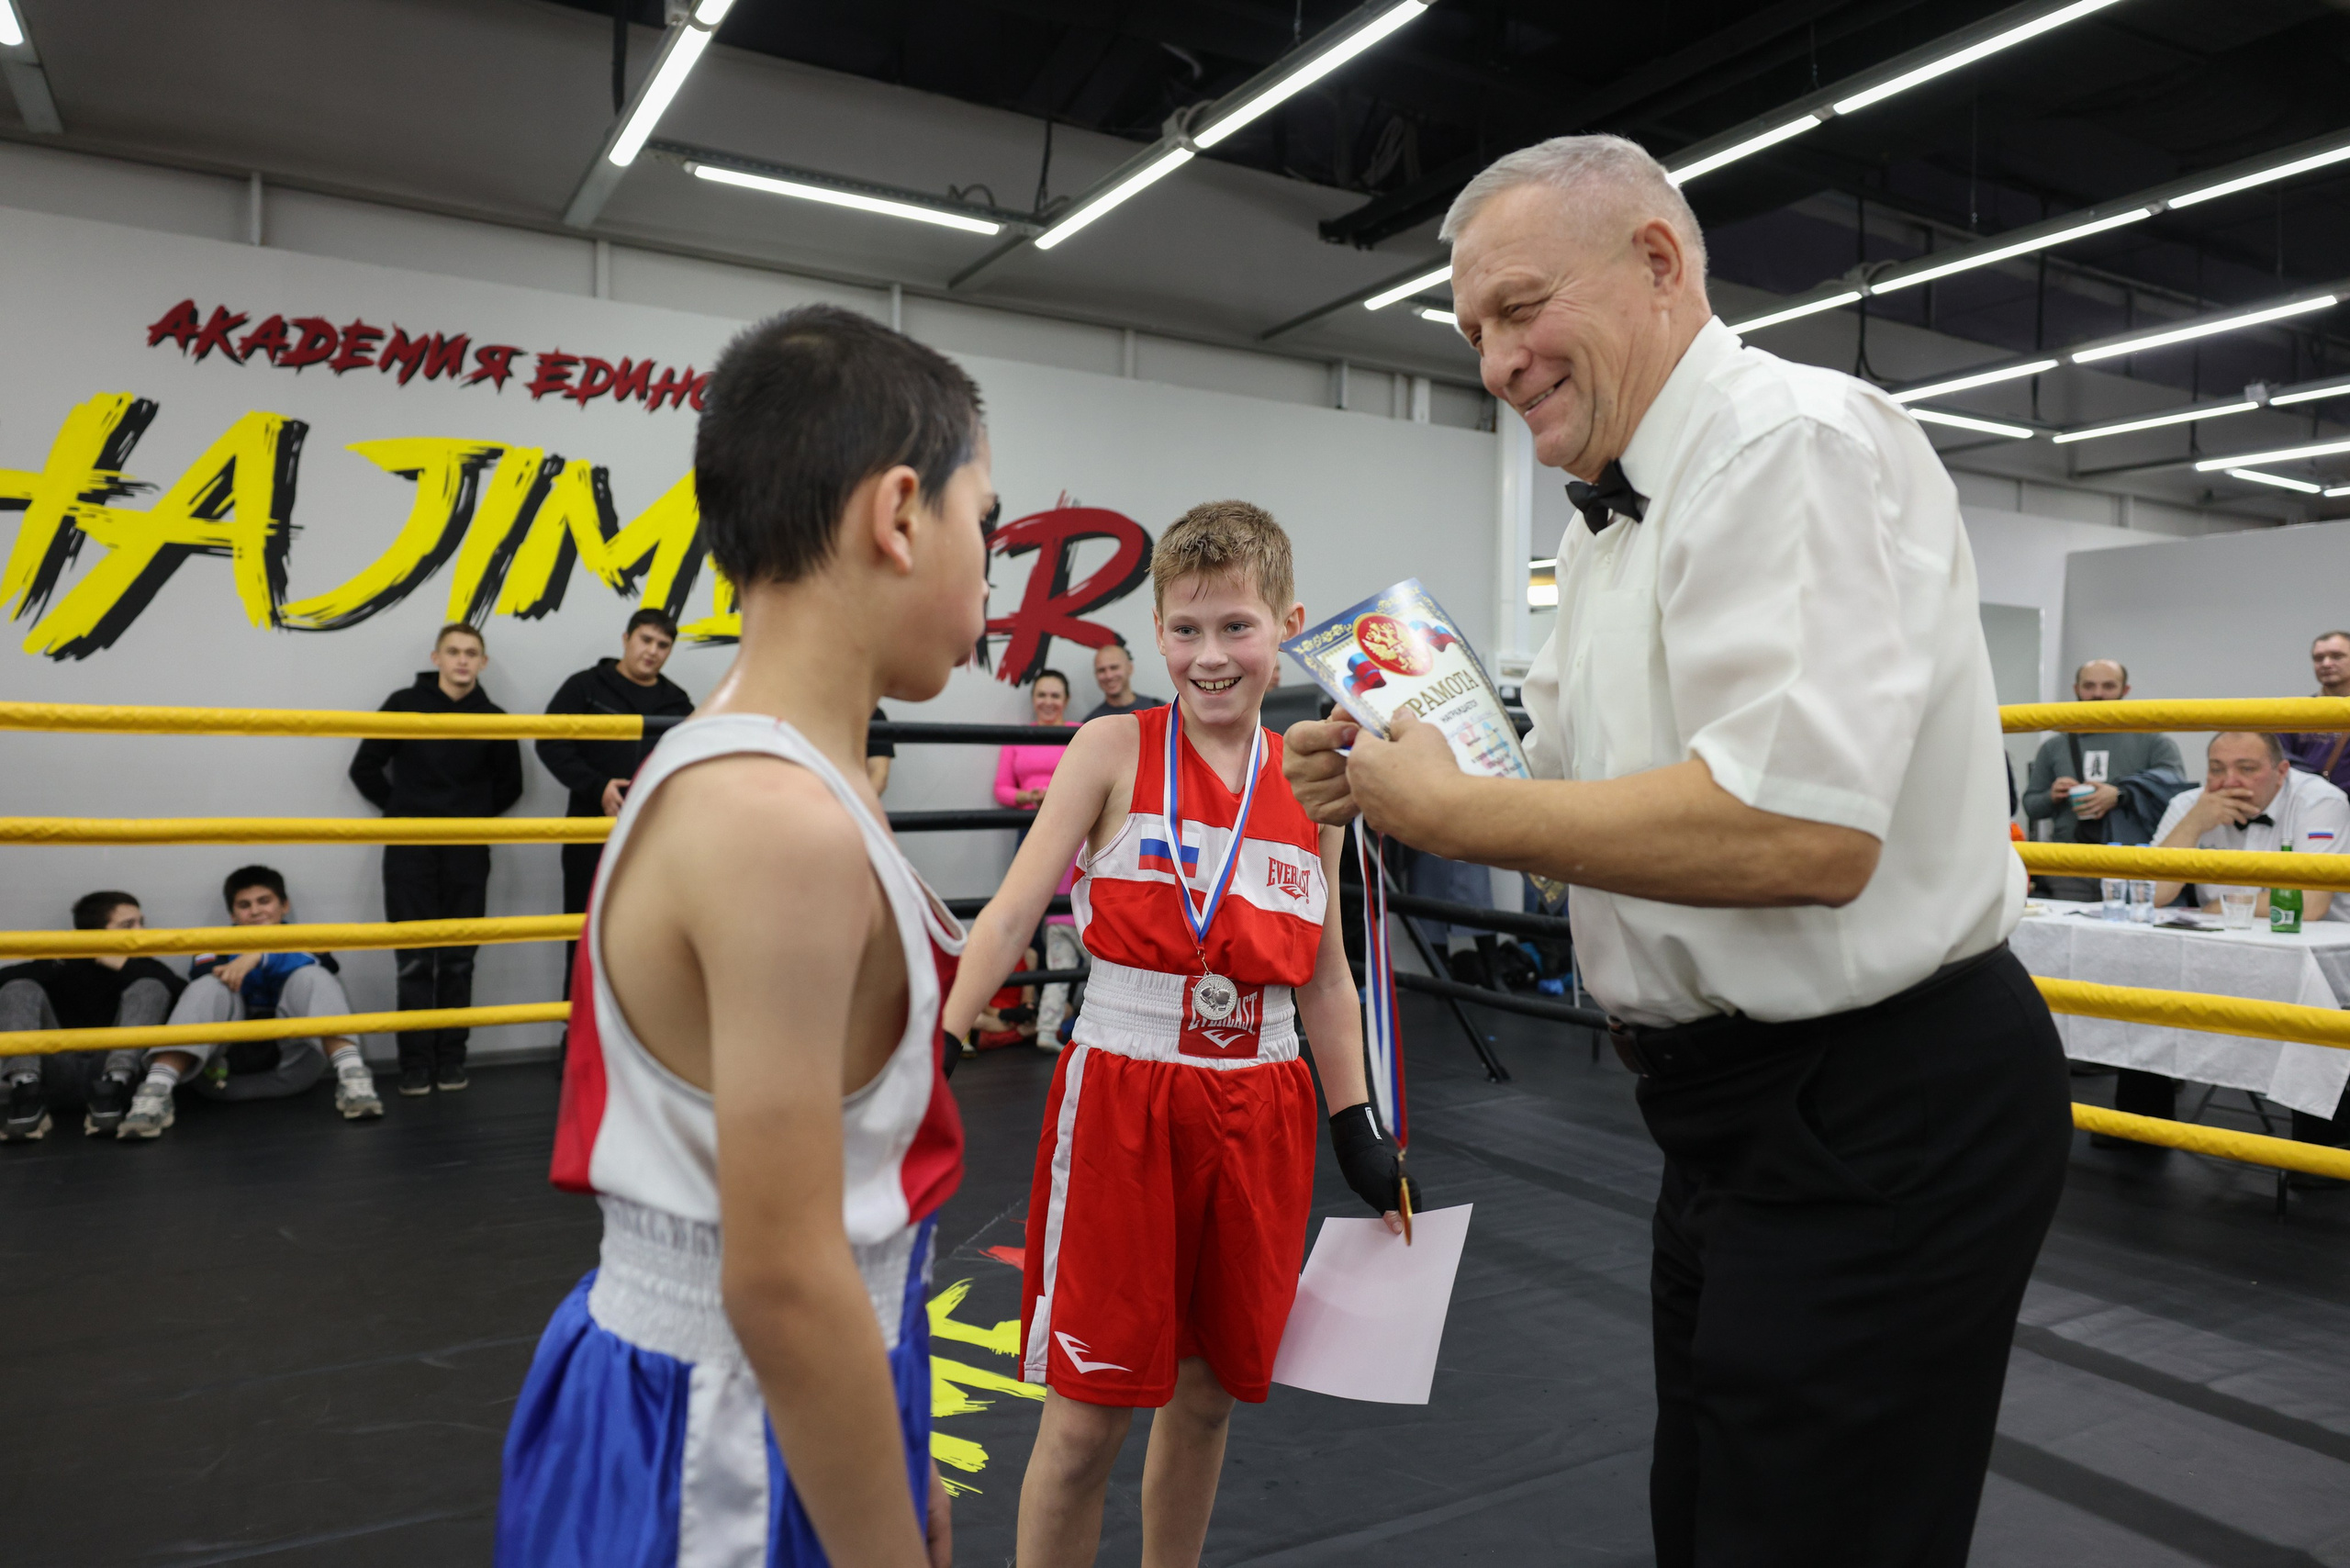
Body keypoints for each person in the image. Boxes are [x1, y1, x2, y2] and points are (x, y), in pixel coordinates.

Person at [1284, 136, 2067, 1568]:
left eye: (1520, 309)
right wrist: (1407, 767)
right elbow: (1588, 804)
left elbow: (1804, 832)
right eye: (1472, 334)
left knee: (1814, 1535)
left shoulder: (1792, 443)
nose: (1498, 362)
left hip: (1880, 1095)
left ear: (1658, 260)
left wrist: (1456, 814)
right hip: (1726, 1114)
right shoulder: (1597, 536)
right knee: (1711, 1519)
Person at [498, 304, 990, 1567]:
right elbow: (779, 1279)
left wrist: (903, 1455)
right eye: (980, 522)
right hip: (725, 1427)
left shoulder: (760, 778)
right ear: (897, 514)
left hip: (787, 1396)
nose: (987, 569)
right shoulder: (776, 822)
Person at [945, 500, 1413, 1568]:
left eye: (1237, 628)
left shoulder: (1312, 787)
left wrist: (1358, 1127)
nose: (1211, 657)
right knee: (1082, 1420)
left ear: (1285, 626)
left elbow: (1328, 974)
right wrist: (947, 1033)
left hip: (1262, 1106)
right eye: (1188, 630)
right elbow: (1014, 908)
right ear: (1156, 631)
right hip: (1125, 1093)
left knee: (1207, 1399)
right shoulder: (1110, 746)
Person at [2130, 732, 2350, 1153]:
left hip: (2312, 954)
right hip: (2219, 951)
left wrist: (2217, 908)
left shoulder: (2319, 801)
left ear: (2282, 771)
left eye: (2247, 769)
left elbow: (2311, 902)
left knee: (2315, 1011)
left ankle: (2321, 1154)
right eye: (2217, 769)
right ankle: (2139, 1130)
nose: (2230, 781)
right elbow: (2151, 895)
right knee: (2142, 976)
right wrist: (2195, 822)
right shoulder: (2189, 803)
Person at [350, 622, 524, 1096]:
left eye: (471, 653)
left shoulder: (495, 718)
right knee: (413, 959)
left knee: (459, 959)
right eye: (454, 652)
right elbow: (363, 767)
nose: (463, 660)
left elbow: (512, 786)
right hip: (410, 850)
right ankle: (413, 1064)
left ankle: (451, 1060)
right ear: (437, 658)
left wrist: (469, 820)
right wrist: (405, 812)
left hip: (467, 851)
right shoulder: (402, 704)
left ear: (482, 663)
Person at [118, 867, 384, 1137]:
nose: (256, 911)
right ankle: (155, 1094)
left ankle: (355, 1082)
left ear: (284, 905)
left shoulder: (311, 939)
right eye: (244, 905)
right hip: (220, 1076)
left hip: (293, 1073)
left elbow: (322, 965)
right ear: (233, 915)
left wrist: (261, 955)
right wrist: (249, 955)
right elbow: (204, 977)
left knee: (313, 975)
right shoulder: (211, 944)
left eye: (264, 901)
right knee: (210, 985)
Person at [535, 609, 695, 986]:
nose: (652, 651)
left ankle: (629, 1042)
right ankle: (574, 1041)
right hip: (589, 833)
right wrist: (597, 786)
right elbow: (551, 742)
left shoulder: (677, 702)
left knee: (647, 939)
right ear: (625, 640)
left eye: (663, 645)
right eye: (645, 640)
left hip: (651, 838)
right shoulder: (585, 687)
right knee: (583, 934)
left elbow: (689, 761)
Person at [1, 891, 185, 1140]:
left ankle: (112, 1087)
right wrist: (76, 956)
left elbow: (187, 996)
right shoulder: (62, 962)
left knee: (150, 986)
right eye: (128, 925)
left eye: (142, 923)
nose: (141, 932)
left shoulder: (145, 968)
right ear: (94, 933)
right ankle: (25, 1091)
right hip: (56, 1073)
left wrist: (124, 966)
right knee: (19, 987)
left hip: (117, 1080)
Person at [2022, 659, 2186, 900]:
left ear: (2124, 690)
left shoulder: (2153, 740)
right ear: (2076, 689)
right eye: (2089, 686)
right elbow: (2031, 806)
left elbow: (2176, 793)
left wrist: (2122, 795)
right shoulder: (2054, 746)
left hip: (2131, 863)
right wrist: (2052, 796)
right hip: (2069, 865)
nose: (2098, 694)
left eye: (2108, 686)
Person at [995, 668, 1083, 1047]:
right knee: (1034, 918)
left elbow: (1091, 778)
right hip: (1030, 830)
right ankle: (1038, 1011)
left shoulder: (1080, 731)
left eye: (1055, 695)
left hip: (1071, 834)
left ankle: (1067, 1018)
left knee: (1073, 915)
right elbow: (1000, 788)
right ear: (1034, 700)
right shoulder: (1020, 736)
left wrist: (1058, 796)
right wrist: (1027, 799)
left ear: (1065, 700)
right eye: (1041, 695)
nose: (1048, 702)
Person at [2281, 630, 2350, 793]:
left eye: (2337, 656)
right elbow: (2279, 756)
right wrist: (2317, 784)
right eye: (2318, 658)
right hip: (2313, 802)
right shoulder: (2297, 712)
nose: (2326, 663)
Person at [1083, 636, 1166, 721]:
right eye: (1101, 670)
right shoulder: (1091, 723)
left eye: (1114, 668)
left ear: (1130, 668)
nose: (1109, 676)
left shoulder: (1159, 710)